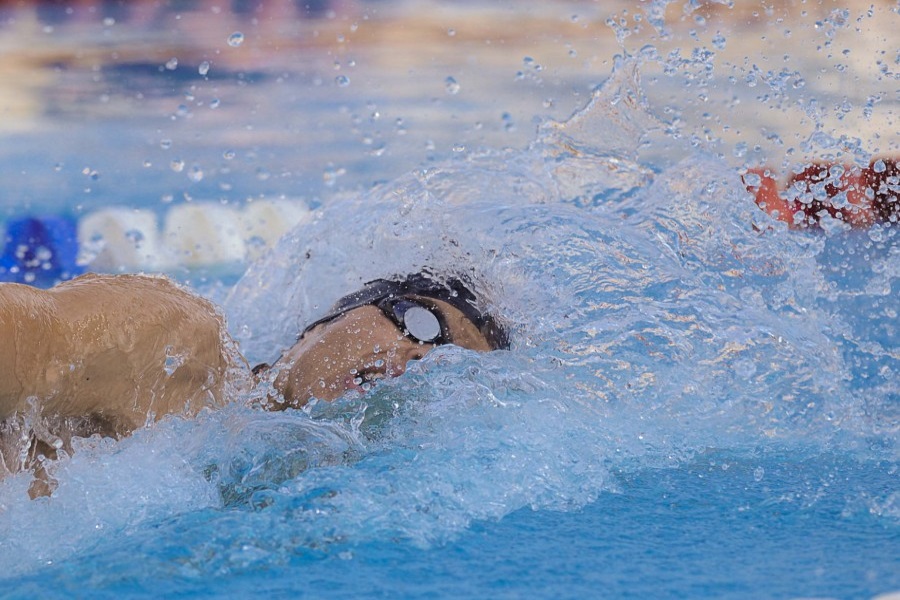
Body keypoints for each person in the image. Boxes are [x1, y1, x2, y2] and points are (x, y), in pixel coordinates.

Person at [0, 271, 508, 492]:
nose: (417, 357)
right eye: (425, 323)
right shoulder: (178, 344)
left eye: (443, 367)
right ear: (334, 317)